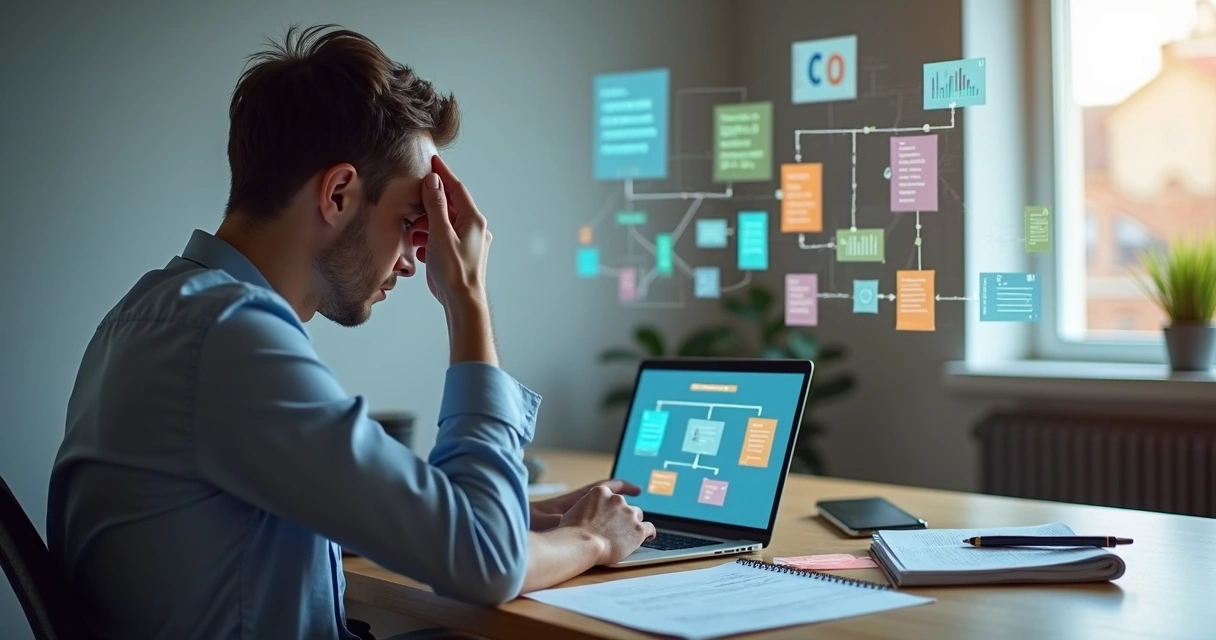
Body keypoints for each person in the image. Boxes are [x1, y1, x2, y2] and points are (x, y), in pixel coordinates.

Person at [46, 24, 655, 640]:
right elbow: (487, 562)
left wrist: (511, 514)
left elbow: (327, 512)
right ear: (338, 193)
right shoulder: (230, 338)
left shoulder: (154, 313)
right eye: (411, 220)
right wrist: (591, 538)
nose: (415, 260)